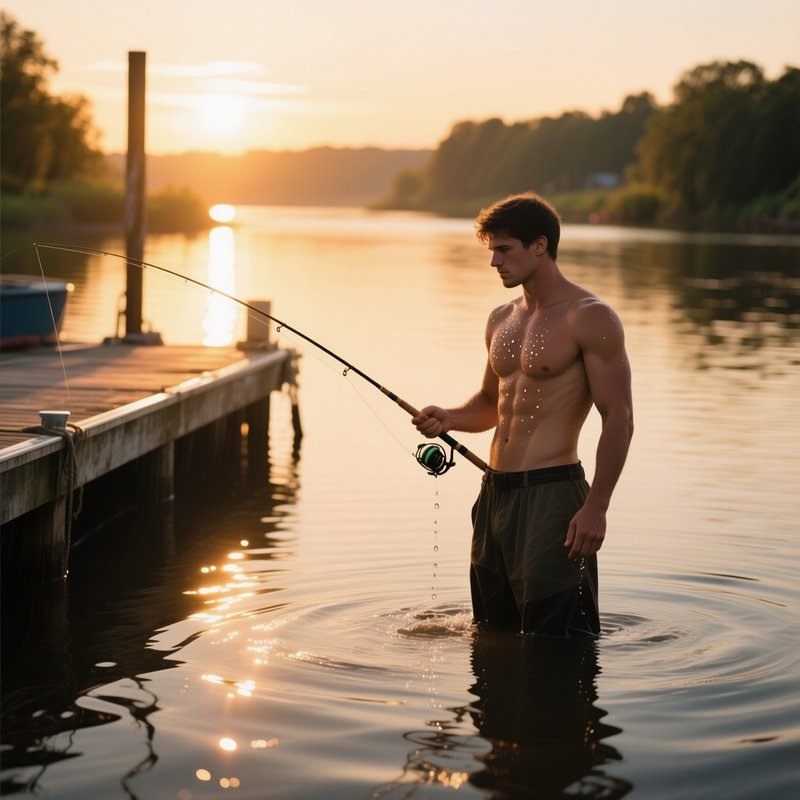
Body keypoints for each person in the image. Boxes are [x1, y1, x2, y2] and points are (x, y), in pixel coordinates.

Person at [412, 192, 633, 637]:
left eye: (504, 249)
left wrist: (597, 507)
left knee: (558, 639)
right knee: (491, 632)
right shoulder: (501, 318)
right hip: (494, 495)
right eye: (491, 250)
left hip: (553, 496)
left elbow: (619, 417)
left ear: (540, 245)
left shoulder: (589, 317)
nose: (494, 261)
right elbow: (490, 404)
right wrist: (449, 418)